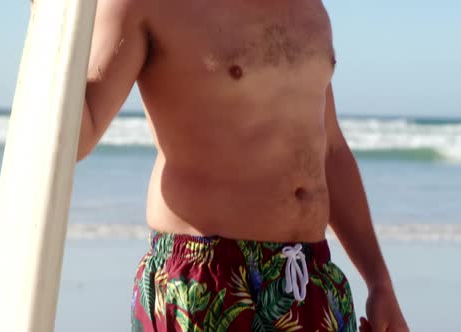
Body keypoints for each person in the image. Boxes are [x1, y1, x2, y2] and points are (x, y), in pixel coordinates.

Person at [51, 0, 409, 330]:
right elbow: (79, 135)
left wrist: (379, 280)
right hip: (205, 281)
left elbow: (330, 149)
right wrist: (51, 23)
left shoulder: (309, 9)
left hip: (310, 275)